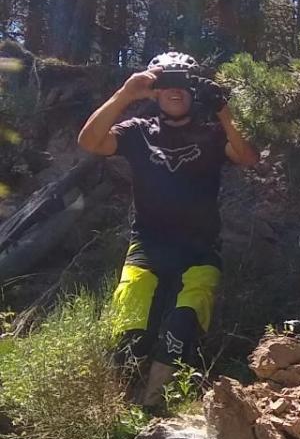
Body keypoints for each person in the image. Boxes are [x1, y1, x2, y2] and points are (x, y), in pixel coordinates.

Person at [77, 52, 259, 405]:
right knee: (129, 334)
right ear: (155, 92)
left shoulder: (210, 134)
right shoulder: (137, 132)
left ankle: (153, 413)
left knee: (181, 330)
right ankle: (119, 416)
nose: (175, 90)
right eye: (166, 83)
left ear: (195, 92)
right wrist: (125, 94)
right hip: (147, 248)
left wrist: (223, 111)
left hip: (200, 252)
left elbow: (248, 156)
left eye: (184, 84)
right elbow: (89, 142)